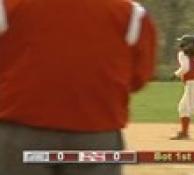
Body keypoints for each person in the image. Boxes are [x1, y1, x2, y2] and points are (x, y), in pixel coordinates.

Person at [0, 0, 156, 174]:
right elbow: (139, 77)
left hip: (20, 130)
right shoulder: (130, 12)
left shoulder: (8, 5)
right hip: (97, 131)